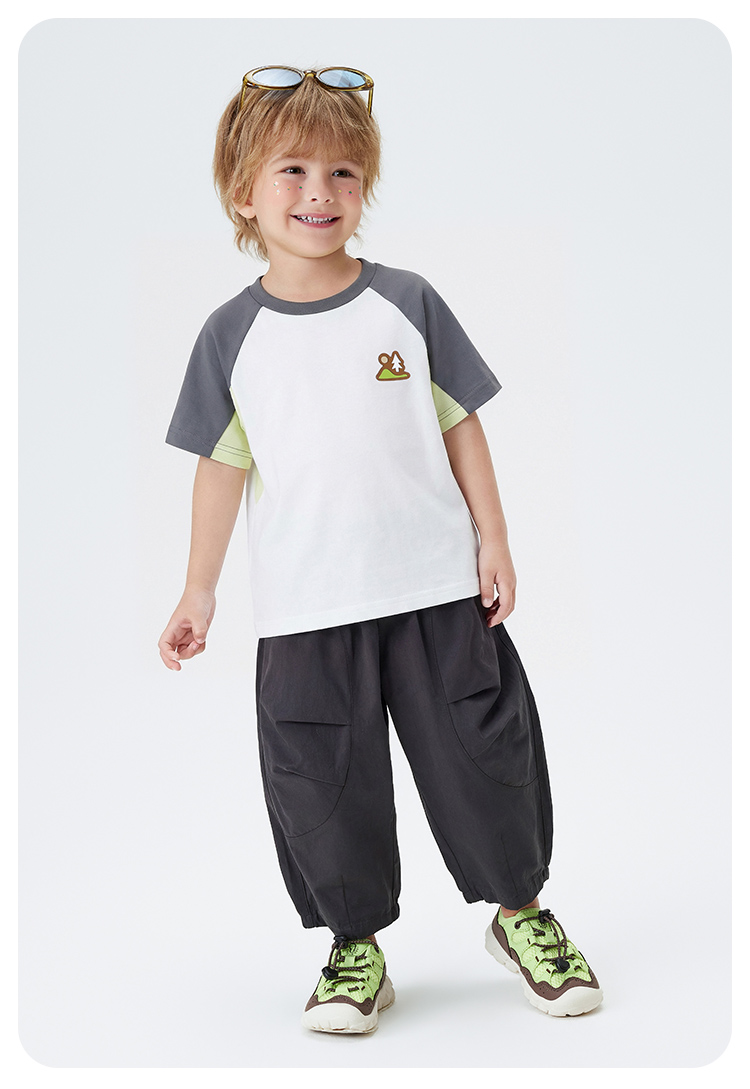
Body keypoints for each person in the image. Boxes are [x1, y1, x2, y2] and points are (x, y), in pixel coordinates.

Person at [158, 65, 603, 1034]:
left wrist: (494, 536)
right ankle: (353, 945)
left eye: (344, 173)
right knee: (322, 783)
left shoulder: (406, 301)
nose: (320, 192)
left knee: (487, 755)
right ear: (244, 193)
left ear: (365, 188)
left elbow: (459, 424)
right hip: (307, 609)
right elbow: (221, 468)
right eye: (293, 170)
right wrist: (198, 589)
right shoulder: (230, 336)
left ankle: (522, 913)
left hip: (436, 590)